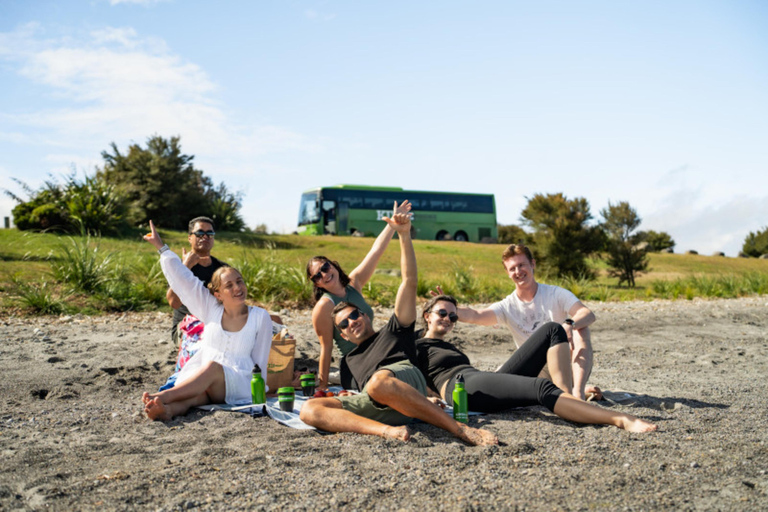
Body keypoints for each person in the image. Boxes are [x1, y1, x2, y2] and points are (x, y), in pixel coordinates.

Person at [299, 207, 498, 445]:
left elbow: (409, 281)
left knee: (378, 382)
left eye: (354, 315)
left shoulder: (394, 331)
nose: (352, 322)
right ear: (342, 334)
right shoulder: (349, 361)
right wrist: (323, 384)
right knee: (309, 410)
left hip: (398, 380)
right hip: (379, 402)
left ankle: (460, 429)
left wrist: (403, 234)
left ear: (366, 314)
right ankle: (385, 431)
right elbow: (326, 349)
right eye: (344, 323)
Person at [416, 295, 657, 433]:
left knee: (552, 329)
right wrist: (426, 399)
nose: (449, 319)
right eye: (442, 313)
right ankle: (619, 419)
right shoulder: (415, 345)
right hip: (461, 388)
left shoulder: (448, 345)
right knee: (541, 388)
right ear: (427, 316)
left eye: (453, 316)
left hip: (477, 380)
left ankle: (569, 398)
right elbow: (399, 374)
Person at [141, 220, 273, 421]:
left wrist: (259, 391)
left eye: (239, 282)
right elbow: (184, 280)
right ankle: (165, 410)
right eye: (229, 286)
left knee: (212, 367)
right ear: (218, 294)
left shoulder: (260, 317)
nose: (237, 288)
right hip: (208, 380)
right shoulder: (210, 308)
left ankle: (162, 396)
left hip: (241, 382)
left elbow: (260, 362)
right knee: (196, 397)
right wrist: (162, 247)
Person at [452, 244, 599, 401]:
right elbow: (476, 315)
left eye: (521, 265)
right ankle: (562, 392)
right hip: (536, 373)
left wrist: (569, 324)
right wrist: (449, 308)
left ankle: (578, 393)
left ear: (533, 264)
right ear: (507, 273)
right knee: (498, 376)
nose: (518, 272)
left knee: (581, 329)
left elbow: (587, 314)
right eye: (512, 268)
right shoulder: (507, 306)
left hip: (565, 367)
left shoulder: (555, 293)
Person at [306, 200, 412, 391]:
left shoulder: (354, 283)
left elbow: (376, 251)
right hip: (355, 362)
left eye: (325, 267)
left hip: (376, 349)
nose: (324, 274)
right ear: (317, 284)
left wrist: (392, 226)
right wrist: (322, 387)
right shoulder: (324, 306)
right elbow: (326, 348)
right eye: (317, 276)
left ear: (333, 265)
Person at [161, 217, 226, 389]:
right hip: (186, 329)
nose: (205, 237)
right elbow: (173, 302)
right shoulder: (181, 266)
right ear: (190, 237)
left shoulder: (221, 269)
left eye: (209, 233)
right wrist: (185, 267)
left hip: (216, 325)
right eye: (200, 233)